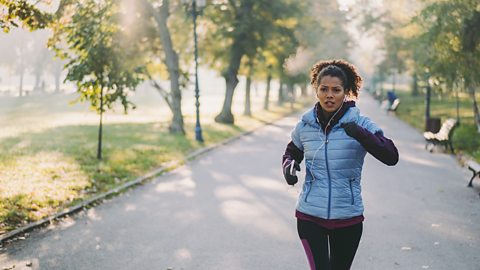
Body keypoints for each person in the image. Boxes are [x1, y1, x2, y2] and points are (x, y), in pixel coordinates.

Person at [282, 59, 399, 270]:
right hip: (310, 215)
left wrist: (359, 134)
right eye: (324, 89)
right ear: (316, 91)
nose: (329, 95)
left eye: (336, 90)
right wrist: (288, 167)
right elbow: (292, 152)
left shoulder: (361, 123)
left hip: (348, 216)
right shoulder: (305, 126)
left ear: (346, 92)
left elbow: (391, 156)